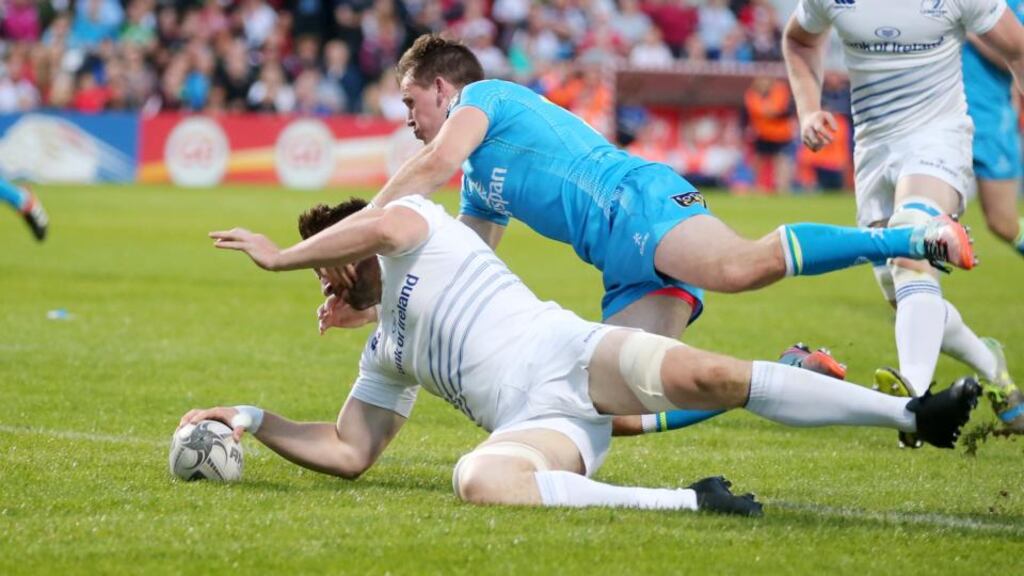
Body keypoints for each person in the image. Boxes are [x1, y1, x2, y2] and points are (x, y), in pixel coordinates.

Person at [317, 34, 976, 436]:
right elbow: (456, 274)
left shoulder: (482, 98)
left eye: (410, 104)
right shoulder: (478, 183)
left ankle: (912, 238)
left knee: (742, 267)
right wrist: (371, 310)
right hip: (621, 260)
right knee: (611, 409)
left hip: (636, 203)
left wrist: (357, 231)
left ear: (440, 88)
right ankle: (790, 371)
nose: (408, 119)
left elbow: (431, 165)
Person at [184, 195, 980, 516]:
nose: (322, 280)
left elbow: (376, 228)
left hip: (571, 351)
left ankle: (915, 412)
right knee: (478, 479)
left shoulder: (410, 225)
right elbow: (349, 448)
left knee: (710, 373)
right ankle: (691, 502)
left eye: (326, 266)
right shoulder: (385, 352)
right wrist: (253, 418)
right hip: (540, 424)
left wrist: (279, 255)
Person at [782, 0, 1024, 441]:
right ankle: (993, 369)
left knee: (912, 243)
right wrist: (807, 110)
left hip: (939, 141)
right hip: (874, 154)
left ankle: (911, 399)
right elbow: (799, 39)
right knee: (907, 294)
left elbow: (1018, 47)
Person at [964, 1, 1024, 258]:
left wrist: (972, 29)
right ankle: (918, 290)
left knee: (1002, 223)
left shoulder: (1010, 4)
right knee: (926, 215)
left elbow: (1014, 56)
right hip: (936, 118)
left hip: (988, 118)